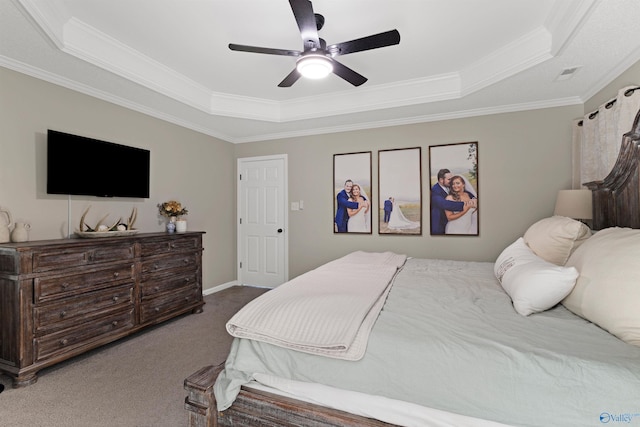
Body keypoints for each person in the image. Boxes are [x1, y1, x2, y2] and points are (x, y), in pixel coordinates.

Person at [430, 168, 474, 235]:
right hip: (439, 226)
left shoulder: (451, 186)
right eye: (449, 179)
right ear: (441, 180)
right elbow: (445, 204)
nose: (451, 182)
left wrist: (473, 199)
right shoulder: (435, 191)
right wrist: (466, 205)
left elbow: (463, 192)